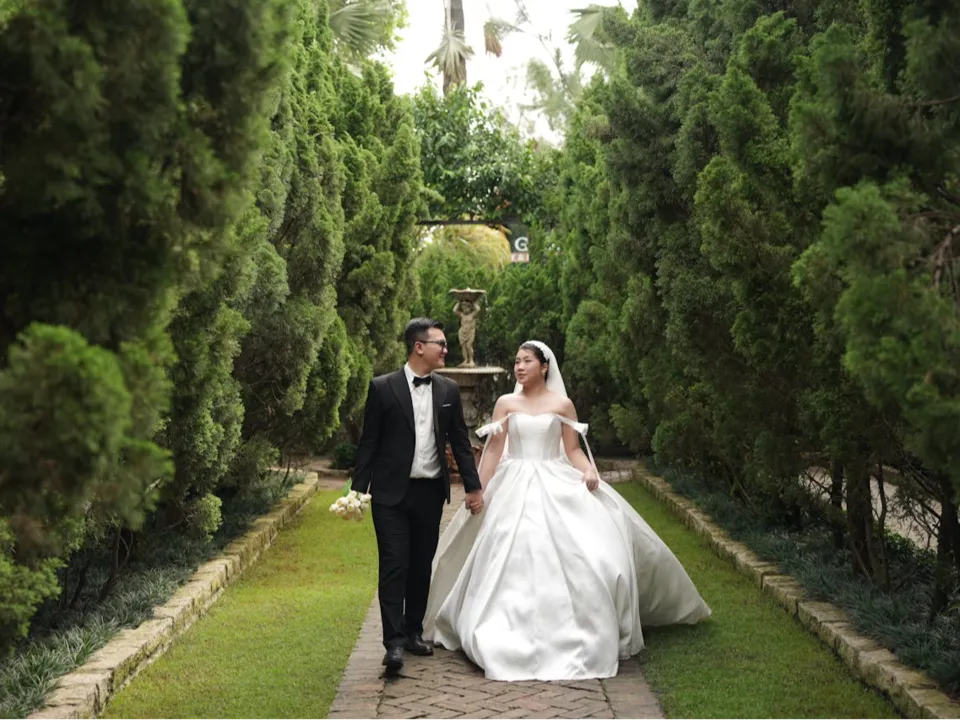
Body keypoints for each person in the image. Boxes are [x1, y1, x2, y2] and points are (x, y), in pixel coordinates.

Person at [423, 341, 712, 682]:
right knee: (507, 546)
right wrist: (478, 490)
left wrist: (588, 470)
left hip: (553, 476)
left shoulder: (562, 405)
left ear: (544, 366)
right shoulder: (506, 403)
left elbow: (572, 449)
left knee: (589, 553)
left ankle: (573, 624)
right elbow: (494, 451)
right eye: (516, 361)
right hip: (514, 481)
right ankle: (503, 626)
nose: (519, 367)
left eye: (527, 361)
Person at [352, 318, 485, 674]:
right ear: (419, 347)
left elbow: (460, 442)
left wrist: (472, 486)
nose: (446, 349)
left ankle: (413, 632)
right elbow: (369, 443)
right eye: (440, 343)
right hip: (390, 495)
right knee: (394, 564)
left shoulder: (448, 391)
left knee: (421, 565)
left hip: (430, 494)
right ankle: (393, 644)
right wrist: (357, 492)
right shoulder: (382, 388)